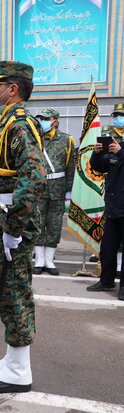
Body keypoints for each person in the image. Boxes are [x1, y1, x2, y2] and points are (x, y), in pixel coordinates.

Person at [0, 61, 47, 393]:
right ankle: (13, 357)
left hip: (9, 222)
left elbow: (33, 179)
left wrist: (14, 228)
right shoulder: (6, 123)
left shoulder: (19, 126)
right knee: (6, 293)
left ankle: (21, 371)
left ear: (13, 89)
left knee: (15, 293)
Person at [32, 108, 75, 276]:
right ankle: (39, 260)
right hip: (39, 187)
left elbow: (70, 165)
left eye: (45, 118)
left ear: (55, 121)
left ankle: (49, 260)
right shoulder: (35, 139)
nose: (42, 121)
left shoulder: (66, 140)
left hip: (58, 187)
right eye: (41, 118)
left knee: (54, 224)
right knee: (37, 223)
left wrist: (69, 189)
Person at [87, 125, 124, 300]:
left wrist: (121, 152)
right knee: (107, 248)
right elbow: (99, 168)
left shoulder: (120, 150)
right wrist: (97, 153)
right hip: (113, 207)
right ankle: (107, 280)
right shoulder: (113, 149)